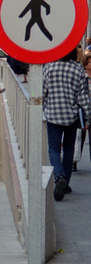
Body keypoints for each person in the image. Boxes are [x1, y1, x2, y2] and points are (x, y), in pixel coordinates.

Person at [43, 47, 90, 201]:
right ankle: (66, 184)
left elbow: (43, 92)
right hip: (71, 116)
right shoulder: (77, 69)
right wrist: (87, 117)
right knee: (69, 149)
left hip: (53, 115)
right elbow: (82, 96)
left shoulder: (49, 67)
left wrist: (44, 109)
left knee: (54, 149)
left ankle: (59, 176)